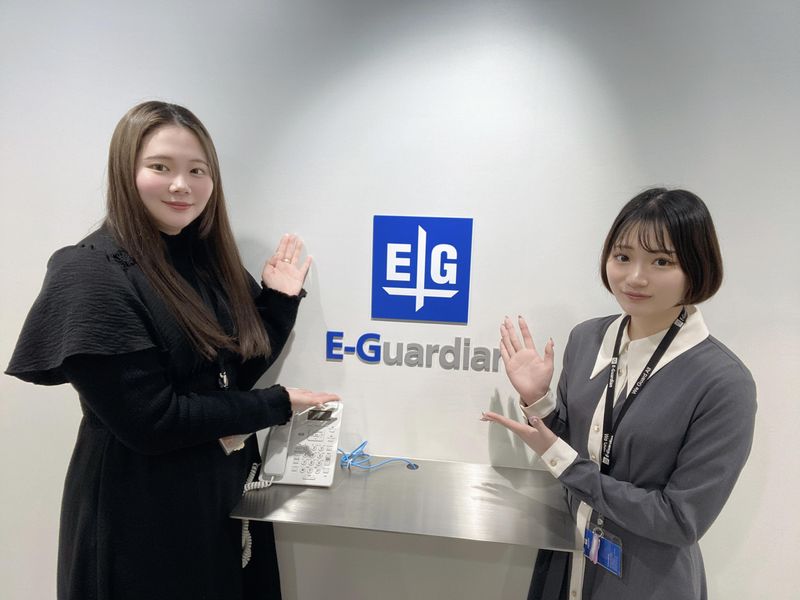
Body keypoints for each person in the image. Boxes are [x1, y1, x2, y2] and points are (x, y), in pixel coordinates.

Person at [5, 101, 339, 600]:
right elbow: (151, 421)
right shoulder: (90, 273)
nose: (182, 185)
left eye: (197, 170)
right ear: (126, 171)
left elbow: (229, 377)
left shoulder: (204, 258)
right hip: (140, 516)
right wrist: (277, 404)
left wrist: (279, 301)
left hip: (218, 495)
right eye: (161, 167)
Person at [481, 188, 756, 600]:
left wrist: (564, 464)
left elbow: (680, 520)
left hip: (648, 581)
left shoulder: (723, 382)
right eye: (623, 256)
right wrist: (540, 402)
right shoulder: (587, 338)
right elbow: (582, 447)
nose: (635, 277)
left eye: (661, 261)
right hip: (568, 558)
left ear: (697, 267)